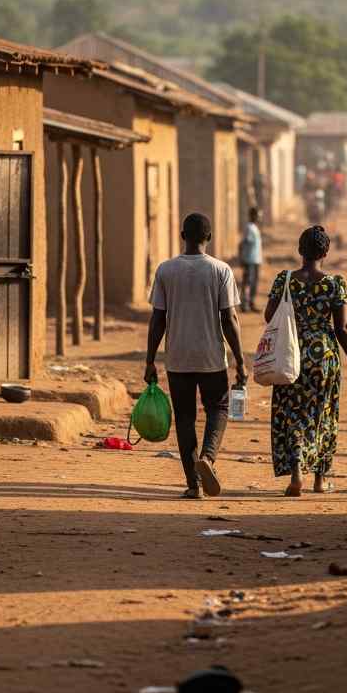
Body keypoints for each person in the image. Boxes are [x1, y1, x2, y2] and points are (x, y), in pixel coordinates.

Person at [145, 213, 246, 499]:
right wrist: (239, 360)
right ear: (209, 238)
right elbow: (229, 318)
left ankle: (193, 484)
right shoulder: (220, 270)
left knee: (185, 417)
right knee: (219, 408)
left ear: (182, 236)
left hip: (177, 358)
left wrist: (150, 359)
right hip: (211, 356)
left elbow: (158, 319)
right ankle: (209, 458)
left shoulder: (166, 270)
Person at [266, 226, 347, 496]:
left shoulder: (284, 280)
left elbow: (269, 315)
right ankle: (320, 480)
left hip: (290, 355)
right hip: (324, 358)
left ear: (300, 250)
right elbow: (342, 327)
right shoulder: (335, 283)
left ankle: (296, 470)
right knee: (323, 415)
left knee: (293, 413)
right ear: (326, 252)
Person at [239, 207, 263, 312]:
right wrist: (242, 258)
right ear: (253, 215)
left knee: (253, 283)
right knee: (247, 283)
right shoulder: (249, 228)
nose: (259, 217)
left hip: (256, 260)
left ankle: (251, 303)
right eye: (258, 215)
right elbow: (242, 244)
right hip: (249, 260)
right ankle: (244, 304)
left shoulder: (255, 227)